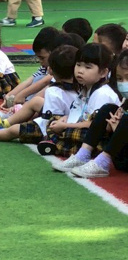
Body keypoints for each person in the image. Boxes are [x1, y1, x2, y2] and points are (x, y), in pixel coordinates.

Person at [52, 48, 127, 177]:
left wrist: (120, 127)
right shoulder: (125, 101)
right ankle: (83, 155)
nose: (123, 83)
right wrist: (113, 127)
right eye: (120, 79)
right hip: (121, 156)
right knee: (108, 109)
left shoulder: (102, 92)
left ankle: (102, 162)